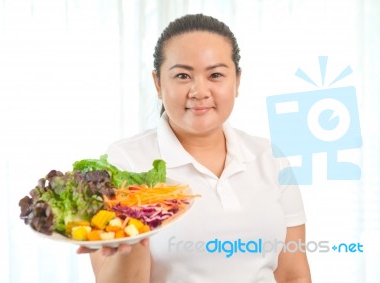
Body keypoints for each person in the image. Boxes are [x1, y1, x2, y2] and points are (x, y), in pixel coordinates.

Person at [77, 14, 312, 283]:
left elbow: (294, 275)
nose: (199, 91)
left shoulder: (270, 158)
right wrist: (131, 236)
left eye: (215, 75)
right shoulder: (123, 164)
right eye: (182, 75)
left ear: (237, 81)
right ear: (157, 83)